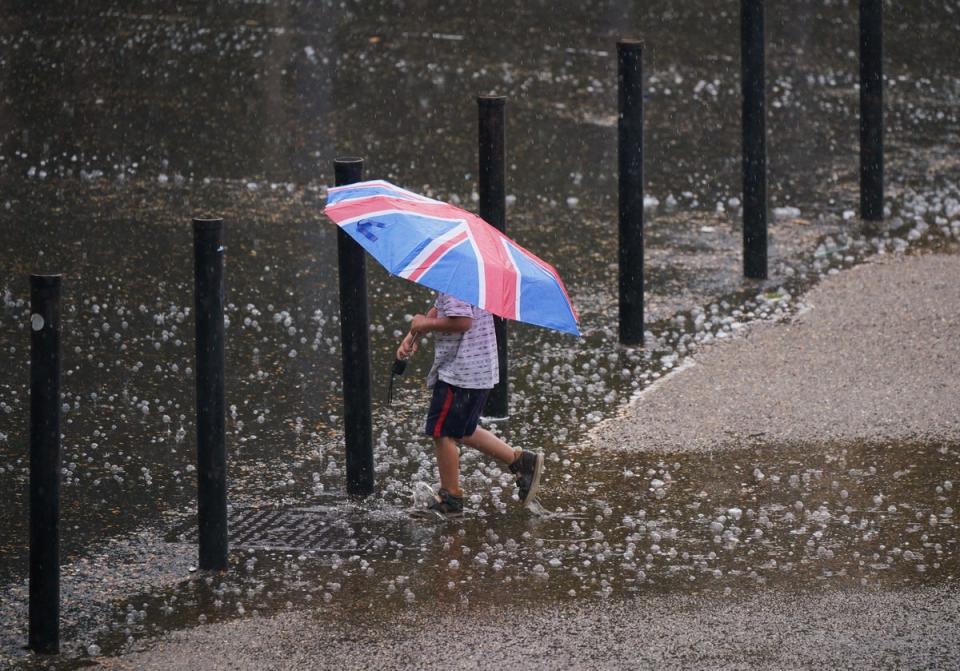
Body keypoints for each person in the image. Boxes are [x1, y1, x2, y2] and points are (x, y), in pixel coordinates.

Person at [396, 292, 543, 516]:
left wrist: (425, 323)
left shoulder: (457, 282)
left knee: (442, 432)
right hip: (477, 370)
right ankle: (521, 461)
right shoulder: (469, 279)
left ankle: (450, 497)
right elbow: (441, 309)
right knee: (464, 429)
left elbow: (463, 322)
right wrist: (414, 333)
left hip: (460, 373)